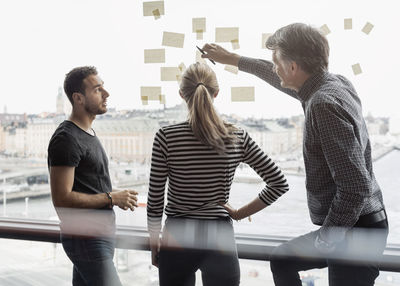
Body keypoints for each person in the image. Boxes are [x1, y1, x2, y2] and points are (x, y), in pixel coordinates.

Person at [201, 23, 388, 286]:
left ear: (293, 68)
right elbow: (270, 73)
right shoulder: (335, 84)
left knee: (282, 260)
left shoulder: (322, 104)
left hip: (355, 233)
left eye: (277, 62)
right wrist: (232, 59)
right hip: (361, 225)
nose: (274, 68)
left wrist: (326, 239)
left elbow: (355, 186)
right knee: (283, 259)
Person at [146, 62, 289, 286]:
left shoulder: (166, 137)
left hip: (177, 233)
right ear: (216, 93)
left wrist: (154, 243)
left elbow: (155, 200)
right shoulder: (237, 137)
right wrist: (240, 213)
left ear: (182, 95)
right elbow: (278, 183)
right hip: (218, 234)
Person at [48, 66, 138, 286]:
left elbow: (88, 187)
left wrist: (118, 195)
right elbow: (61, 199)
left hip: (98, 236)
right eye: (98, 89)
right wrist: (111, 198)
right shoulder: (66, 138)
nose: (106, 94)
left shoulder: (87, 134)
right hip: (86, 239)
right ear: (78, 98)